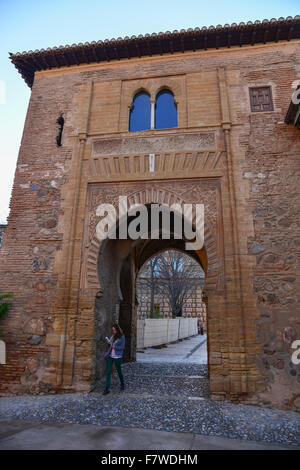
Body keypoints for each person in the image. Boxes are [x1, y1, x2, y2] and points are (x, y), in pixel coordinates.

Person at [103, 323, 125, 395]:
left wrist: (114, 347)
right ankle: (107, 388)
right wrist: (109, 343)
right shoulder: (113, 336)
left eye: (115, 330)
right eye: (113, 330)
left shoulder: (122, 337)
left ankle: (122, 383)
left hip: (117, 357)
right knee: (108, 372)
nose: (114, 331)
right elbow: (111, 344)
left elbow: (122, 347)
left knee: (119, 371)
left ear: (118, 329)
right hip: (111, 356)